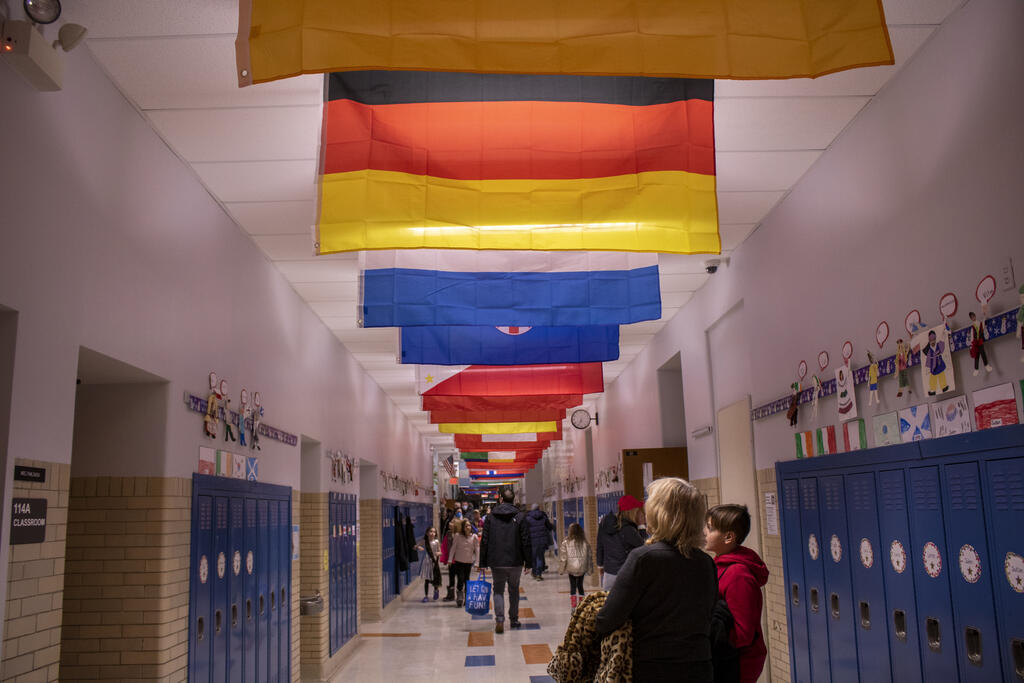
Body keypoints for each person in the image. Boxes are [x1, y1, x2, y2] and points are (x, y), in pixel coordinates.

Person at [595, 478, 717, 682]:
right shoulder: (706, 562)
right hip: (699, 667)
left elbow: (607, 619)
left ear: (658, 513)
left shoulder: (643, 559)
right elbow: (708, 615)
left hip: (652, 668)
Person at [704, 504, 769, 683]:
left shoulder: (738, 575)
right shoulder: (719, 564)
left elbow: (743, 634)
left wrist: (710, 636)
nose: (704, 532)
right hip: (726, 658)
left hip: (737, 663)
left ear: (728, 537)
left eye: (710, 528)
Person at [478, 488, 531, 633]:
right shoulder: (520, 516)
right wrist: (529, 562)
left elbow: (485, 540)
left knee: (498, 590)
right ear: (513, 500)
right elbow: (526, 540)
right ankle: (514, 620)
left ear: (501, 499)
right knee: (514, 590)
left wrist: (482, 562)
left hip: (497, 561)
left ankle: (500, 620)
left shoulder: (490, 517)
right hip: (515, 561)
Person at [596, 494, 645, 590]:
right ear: (632, 511)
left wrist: (600, 565)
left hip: (609, 573)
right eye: (637, 510)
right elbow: (644, 547)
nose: (639, 512)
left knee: (609, 598)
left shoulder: (604, 522)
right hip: (626, 574)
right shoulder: (628, 529)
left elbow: (600, 545)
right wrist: (641, 526)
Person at [558, 522, 593, 611]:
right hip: (582, 568)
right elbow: (589, 557)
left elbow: (563, 558)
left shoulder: (566, 542)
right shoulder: (585, 543)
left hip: (571, 568)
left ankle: (573, 607)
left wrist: (561, 570)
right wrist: (590, 570)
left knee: (572, 586)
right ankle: (581, 606)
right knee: (580, 585)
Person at [449, 519, 478, 607]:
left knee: (467, 580)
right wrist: (450, 560)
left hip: (468, 562)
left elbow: (477, 550)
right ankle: (460, 596)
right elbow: (453, 548)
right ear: (463, 527)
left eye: (469, 525)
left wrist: (477, 562)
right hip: (459, 561)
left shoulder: (474, 537)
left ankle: (467, 597)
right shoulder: (458, 536)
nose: (468, 527)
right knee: (460, 578)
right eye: (466, 526)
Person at [525, 503, 554, 580]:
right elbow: (549, 527)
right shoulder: (543, 517)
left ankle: (534, 572)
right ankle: (538, 574)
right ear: (539, 508)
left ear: (532, 509)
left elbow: (525, 530)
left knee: (533, 558)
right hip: (542, 541)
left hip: (532, 541)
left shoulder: (528, 518)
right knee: (540, 558)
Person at [415, 527, 442, 602]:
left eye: (434, 532)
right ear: (427, 533)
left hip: (434, 562)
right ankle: (426, 596)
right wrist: (419, 547)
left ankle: (436, 590)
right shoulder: (425, 541)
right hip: (427, 562)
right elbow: (415, 546)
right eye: (431, 531)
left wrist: (438, 553)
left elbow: (440, 552)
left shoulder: (436, 542)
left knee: (435, 578)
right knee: (427, 579)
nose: (432, 533)